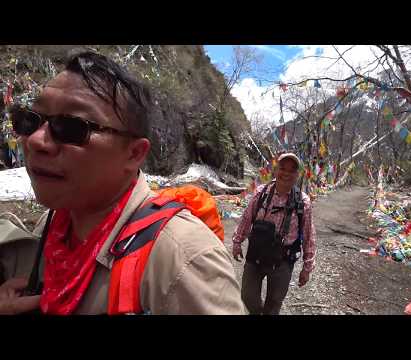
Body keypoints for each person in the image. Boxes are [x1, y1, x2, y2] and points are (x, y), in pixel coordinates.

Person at [0, 50, 244, 315]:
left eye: (71, 127)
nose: (36, 140)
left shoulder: (181, 259)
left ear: (134, 154)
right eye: (29, 120)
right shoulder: (53, 223)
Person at [232, 153, 316, 315]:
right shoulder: (261, 192)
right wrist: (237, 242)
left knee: (274, 303)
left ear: (297, 175)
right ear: (276, 170)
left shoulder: (303, 202)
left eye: (291, 170)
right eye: (283, 168)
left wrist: (307, 267)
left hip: (283, 261)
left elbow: (309, 235)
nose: (286, 173)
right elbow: (247, 217)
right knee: (248, 297)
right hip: (256, 253)